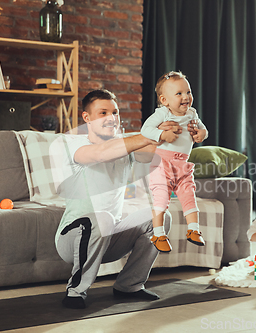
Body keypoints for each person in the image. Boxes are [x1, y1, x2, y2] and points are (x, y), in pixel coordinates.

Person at [53, 89, 187, 309]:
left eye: (114, 112)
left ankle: (130, 286)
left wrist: (174, 127)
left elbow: (154, 150)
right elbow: (100, 153)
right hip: (72, 238)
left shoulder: (127, 144)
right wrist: (149, 135)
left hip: (110, 237)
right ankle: (75, 291)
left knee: (160, 217)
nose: (111, 118)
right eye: (103, 112)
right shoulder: (74, 144)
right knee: (102, 218)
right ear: (86, 118)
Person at [140, 71, 208, 253]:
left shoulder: (192, 113)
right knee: (161, 197)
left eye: (188, 92)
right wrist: (162, 134)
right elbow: (145, 129)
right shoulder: (163, 113)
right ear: (164, 100)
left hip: (183, 165)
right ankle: (158, 233)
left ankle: (193, 229)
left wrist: (202, 134)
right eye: (179, 94)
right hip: (162, 164)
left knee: (188, 194)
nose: (186, 97)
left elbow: (203, 129)